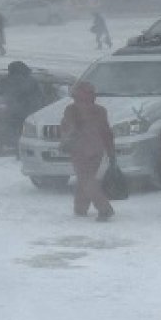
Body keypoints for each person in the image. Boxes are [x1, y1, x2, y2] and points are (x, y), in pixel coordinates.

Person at [60, 82, 116, 221]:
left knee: (86, 179)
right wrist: (110, 151)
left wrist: (65, 142)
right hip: (97, 148)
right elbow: (106, 132)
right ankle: (80, 207)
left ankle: (104, 208)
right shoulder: (100, 110)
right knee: (85, 178)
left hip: (79, 149)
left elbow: (68, 129)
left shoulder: (71, 110)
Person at [0, 61, 45, 143]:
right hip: (32, 116)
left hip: (11, 116)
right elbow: (40, 98)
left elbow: (0, 95)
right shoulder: (32, 82)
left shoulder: (5, 82)